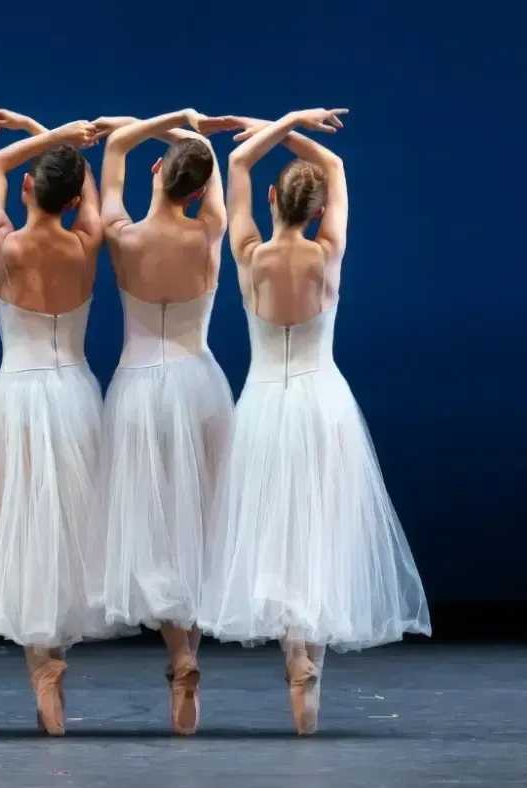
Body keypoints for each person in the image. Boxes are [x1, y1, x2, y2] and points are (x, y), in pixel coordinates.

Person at [198, 109, 431, 735]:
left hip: (267, 405)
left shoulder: (248, 254)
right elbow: (334, 163)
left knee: (275, 530)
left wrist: (271, 125)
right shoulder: (329, 252)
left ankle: (292, 655)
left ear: (272, 199)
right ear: (320, 208)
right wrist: (293, 124)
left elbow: (240, 162)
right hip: (322, 402)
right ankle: (311, 678)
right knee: (318, 531)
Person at [90, 110, 238, 735]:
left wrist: (157, 125)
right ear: (201, 191)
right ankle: (192, 654)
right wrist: (188, 134)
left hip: (141, 390)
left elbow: (116, 149)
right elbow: (204, 161)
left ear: (156, 174)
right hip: (199, 384)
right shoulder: (210, 229)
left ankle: (179, 655)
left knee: (154, 525)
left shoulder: (121, 235)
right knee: (197, 522)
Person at [0, 117, 106, 736]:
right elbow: (89, 202)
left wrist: (43, 134)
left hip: (20, 396)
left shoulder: (4, 242)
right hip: (74, 392)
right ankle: (57, 651)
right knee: (67, 523)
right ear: (76, 201)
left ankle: (42, 663)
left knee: (25, 522)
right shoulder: (86, 242)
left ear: (28, 187)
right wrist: (78, 154)